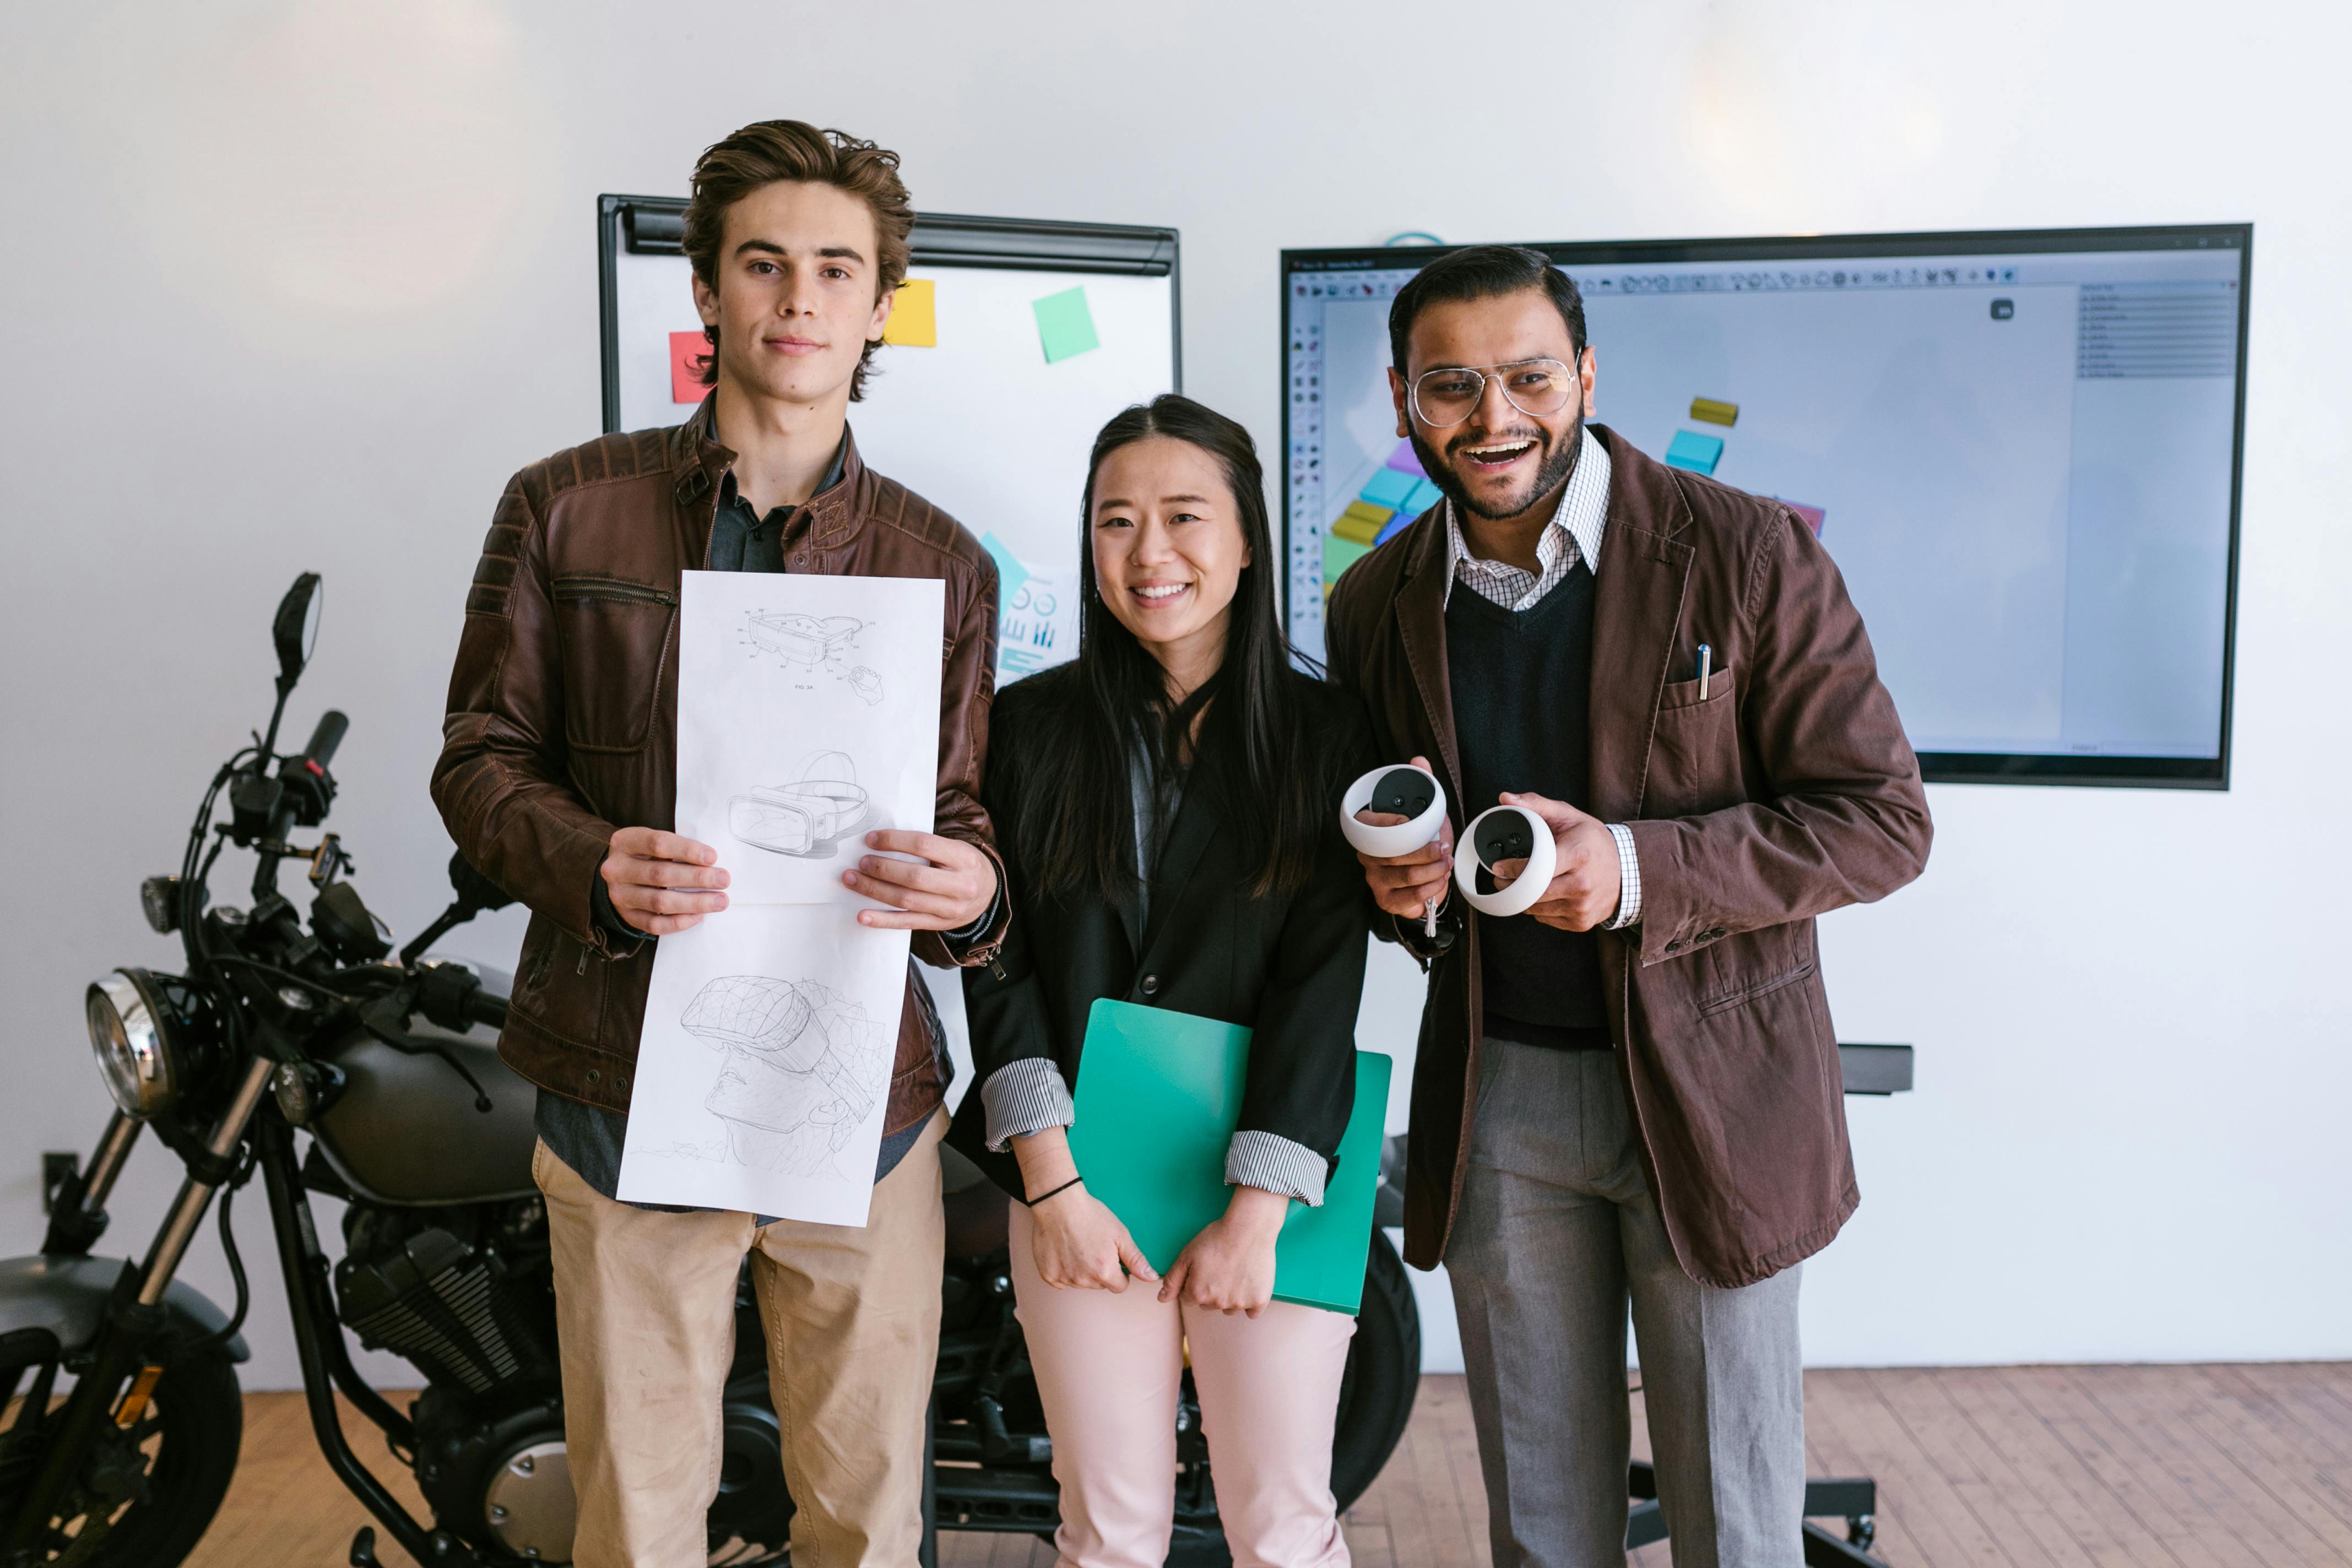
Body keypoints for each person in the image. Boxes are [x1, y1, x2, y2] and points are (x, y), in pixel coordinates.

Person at [431, 120, 1007, 1568]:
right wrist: (590, 863)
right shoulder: (565, 507)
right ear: (706, 289)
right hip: (626, 1094)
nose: (797, 300)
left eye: (835, 269)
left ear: (883, 304)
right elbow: (477, 760)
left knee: (869, 1523)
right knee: (635, 1524)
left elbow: (961, 814)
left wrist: (973, 888)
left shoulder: (943, 561)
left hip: (861, 1113)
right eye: (763, 263)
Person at [1325, 246, 1933, 1568]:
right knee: (1543, 1532)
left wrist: (1638, 871)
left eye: (1530, 376)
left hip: (1712, 1096)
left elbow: (1881, 820)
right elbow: (1392, 865)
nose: (1495, 418)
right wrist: (1402, 890)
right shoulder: (1374, 600)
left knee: (1736, 1526)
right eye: (1452, 384)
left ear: (1586, 375)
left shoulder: (1745, 550)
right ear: (1401, 399)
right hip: (1502, 1104)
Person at [951, 394, 1372, 1568]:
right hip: (1078, 1182)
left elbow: (1321, 982)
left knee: (1283, 1519)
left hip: (1274, 1188)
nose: (1148, 554)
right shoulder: (1022, 727)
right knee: (1107, 1527)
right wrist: (1051, 1184)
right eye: (1114, 522)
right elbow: (996, 951)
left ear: (1245, 540)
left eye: (1184, 517)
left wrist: (1254, 1212)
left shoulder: (1330, 735)